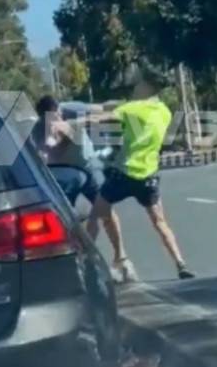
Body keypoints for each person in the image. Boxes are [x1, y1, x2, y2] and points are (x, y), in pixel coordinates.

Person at [83, 63, 195, 281]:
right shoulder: (164, 112)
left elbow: (100, 118)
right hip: (149, 175)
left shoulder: (131, 109)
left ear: (146, 86)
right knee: (160, 222)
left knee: (96, 214)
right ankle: (180, 264)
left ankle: (84, 260)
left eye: (138, 82)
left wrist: (74, 122)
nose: (135, 86)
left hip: (123, 173)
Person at [31, 95, 109, 210]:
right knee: (66, 214)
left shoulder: (71, 116)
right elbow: (46, 147)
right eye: (51, 117)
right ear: (43, 118)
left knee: (105, 210)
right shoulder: (38, 129)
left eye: (58, 114)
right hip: (66, 174)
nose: (58, 117)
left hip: (87, 167)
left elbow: (92, 117)